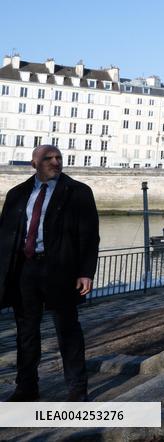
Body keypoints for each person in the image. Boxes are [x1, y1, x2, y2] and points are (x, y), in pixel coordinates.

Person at [0, 145, 99, 402]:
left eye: (58, 158)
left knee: (67, 330)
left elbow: (89, 236)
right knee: (27, 332)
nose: (55, 162)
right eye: (48, 158)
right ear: (34, 163)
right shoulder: (17, 194)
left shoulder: (78, 192)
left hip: (61, 271)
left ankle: (77, 390)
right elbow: (5, 236)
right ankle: (26, 388)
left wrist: (85, 272)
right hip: (25, 270)